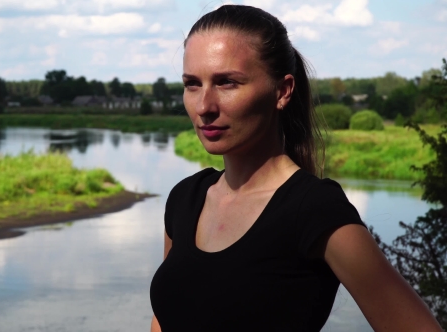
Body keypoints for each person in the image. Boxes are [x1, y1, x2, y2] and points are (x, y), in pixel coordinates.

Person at [149, 5, 442, 332]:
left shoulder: (314, 209)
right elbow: (164, 320)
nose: (204, 106)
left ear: (282, 91)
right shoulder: (185, 198)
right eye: (192, 84)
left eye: (227, 82)